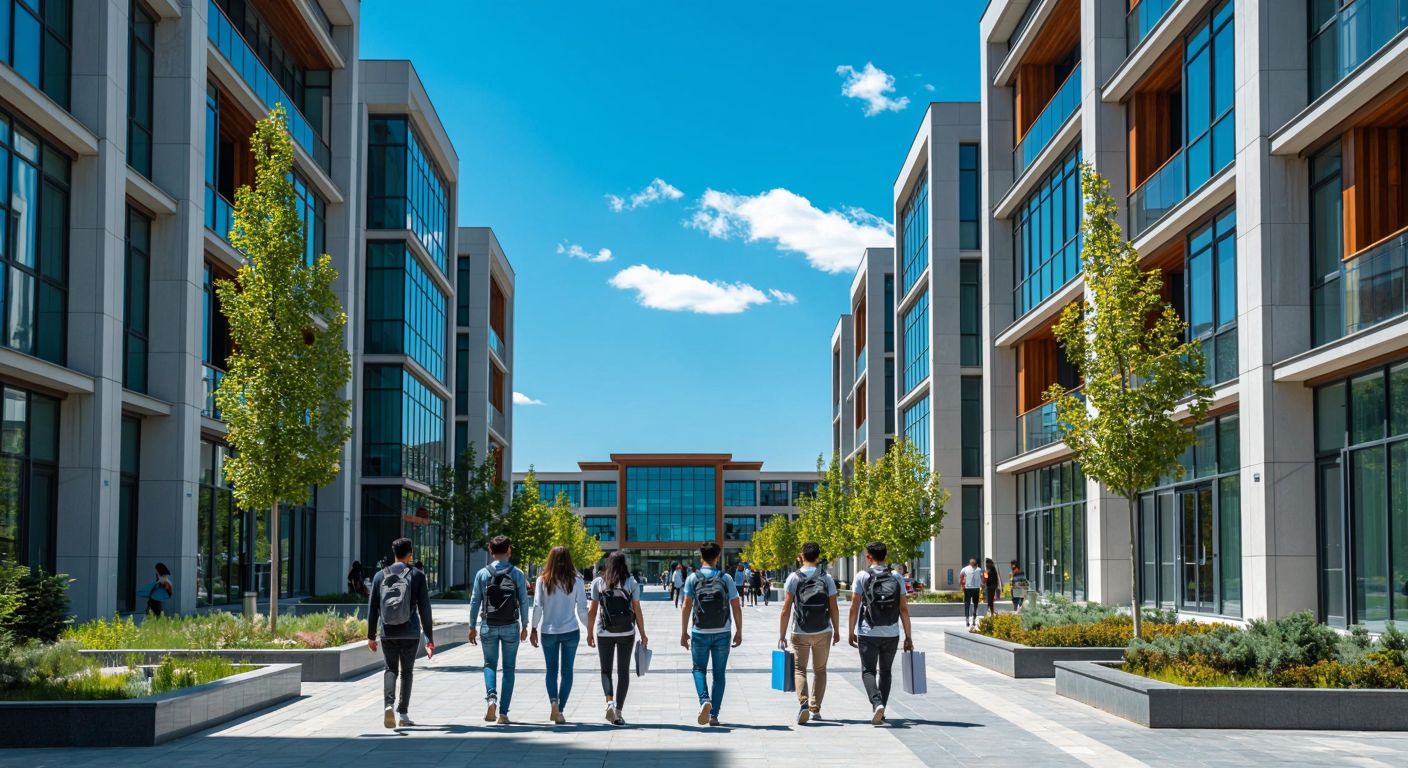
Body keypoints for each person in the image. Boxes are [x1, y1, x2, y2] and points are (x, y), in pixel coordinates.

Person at [367, 537, 435, 729]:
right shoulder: (417, 575)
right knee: (407, 672)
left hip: (388, 632)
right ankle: (403, 714)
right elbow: (425, 608)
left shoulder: (380, 576)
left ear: (394, 553)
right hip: (410, 632)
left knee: (390, 669)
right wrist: (429, 636)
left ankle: (388, 705)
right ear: (410, 553)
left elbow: (373, 608)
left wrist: (371, 636)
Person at [847, 541, 913, 726]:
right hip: (891, 632)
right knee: (885, 671)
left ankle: (876, 703)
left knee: (868, 670)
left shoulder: (862, 576)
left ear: (869, 557)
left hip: (868, 631)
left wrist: (850, 631)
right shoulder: (897, 577)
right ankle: (881, 708)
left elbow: (854, 607)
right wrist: (908, 636)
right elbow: (904, 609)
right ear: (886, 555)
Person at [468, 535, 529, 725]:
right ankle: (503, 713)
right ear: (509, 550)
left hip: (488, 625)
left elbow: (475, 601)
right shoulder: (517, 573)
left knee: (489, 665)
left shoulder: (482, 574)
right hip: (511, 625)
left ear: (490, 550)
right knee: (509, 669)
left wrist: (472, 626)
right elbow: (525, 601)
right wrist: (525, 625)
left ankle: (491, 699)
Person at [681, 541, 743, 726]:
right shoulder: (726, 578)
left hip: (699, 631)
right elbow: (736, 605)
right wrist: (739, 631)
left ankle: (704, 700)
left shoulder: (693, 578)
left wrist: (683, 632)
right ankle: (714, 715)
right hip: (722, 631)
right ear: (717, 557)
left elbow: (686, 605)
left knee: (698, 669)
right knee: (719, 674)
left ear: (701, 557)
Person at [777, 542, 840, 724]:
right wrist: (836, 629)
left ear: (801, 556)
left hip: (800, 630)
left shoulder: (793, 578)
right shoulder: (826, 578)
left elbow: (786, 609)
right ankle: (815, 708)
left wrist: (781, 635)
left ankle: (803, 703)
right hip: (823, 630)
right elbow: (834, 607)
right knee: (820, 670)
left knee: (800, 669)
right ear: (818, 557)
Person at [587, 551, 649, 726]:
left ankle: (609, 702)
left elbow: (592, 611)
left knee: (605, 670)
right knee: (623, 672)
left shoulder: (599, 582)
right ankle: (619, 712)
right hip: (626, 632)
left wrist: (589, 632)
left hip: (604, 632)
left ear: (608, 563)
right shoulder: (631, 582)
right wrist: (643, 633)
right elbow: (637, 609)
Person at [530, 546, 589, 724]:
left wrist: (533, 628)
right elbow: (582, 608)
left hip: (548, 631)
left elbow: (537, 606)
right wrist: (590, 629)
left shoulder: (543, 580)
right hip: (570, 630)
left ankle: (553, 703)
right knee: (567, 672)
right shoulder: (576, 580)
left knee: (551, 670)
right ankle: (560, 710)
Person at [959, 557, 983, 628]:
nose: (973, 563)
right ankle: (968, 621)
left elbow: (983, 576)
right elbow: (961, 576)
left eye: (973, 562)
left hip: (974, 588)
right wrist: (961, 585)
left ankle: (972, 621)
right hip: (969, 588)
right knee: (969, 604)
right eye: (972, 562)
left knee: (973, 605)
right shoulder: (966, 569)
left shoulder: (979, 569)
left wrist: (983, 583)